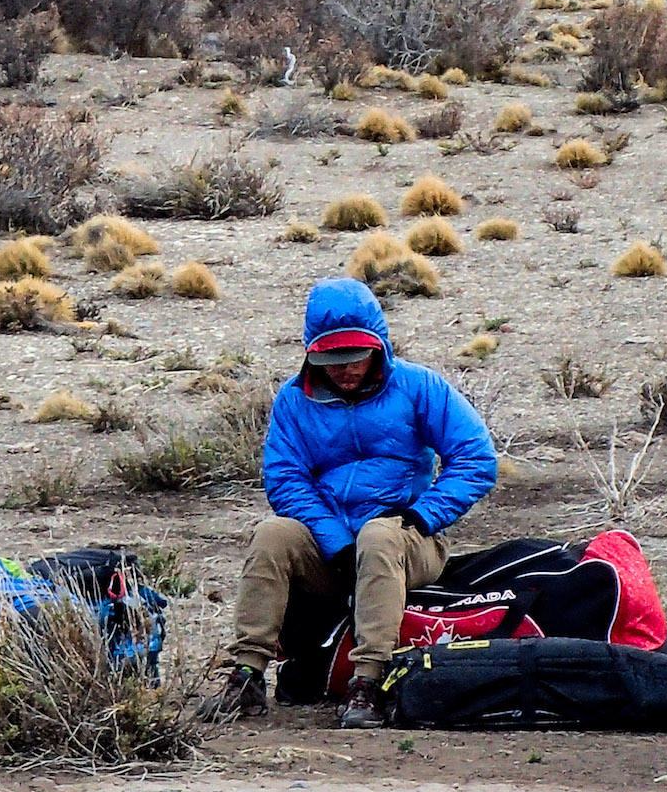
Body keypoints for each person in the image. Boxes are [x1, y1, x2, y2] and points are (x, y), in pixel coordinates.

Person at [200, 276, 498, 729]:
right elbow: (285, 478)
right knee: (272, 534)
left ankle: (368, 682)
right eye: (333, 359)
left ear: (378, 345)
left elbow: (476, 458)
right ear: (311, 352)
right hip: (331, 550)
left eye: (355, 356)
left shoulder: (420, 387)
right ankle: (247, 674)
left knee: (379, 535)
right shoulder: (293, 401)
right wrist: (336, 541)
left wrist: (423, 515)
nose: (345, 369)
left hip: (408, 542)